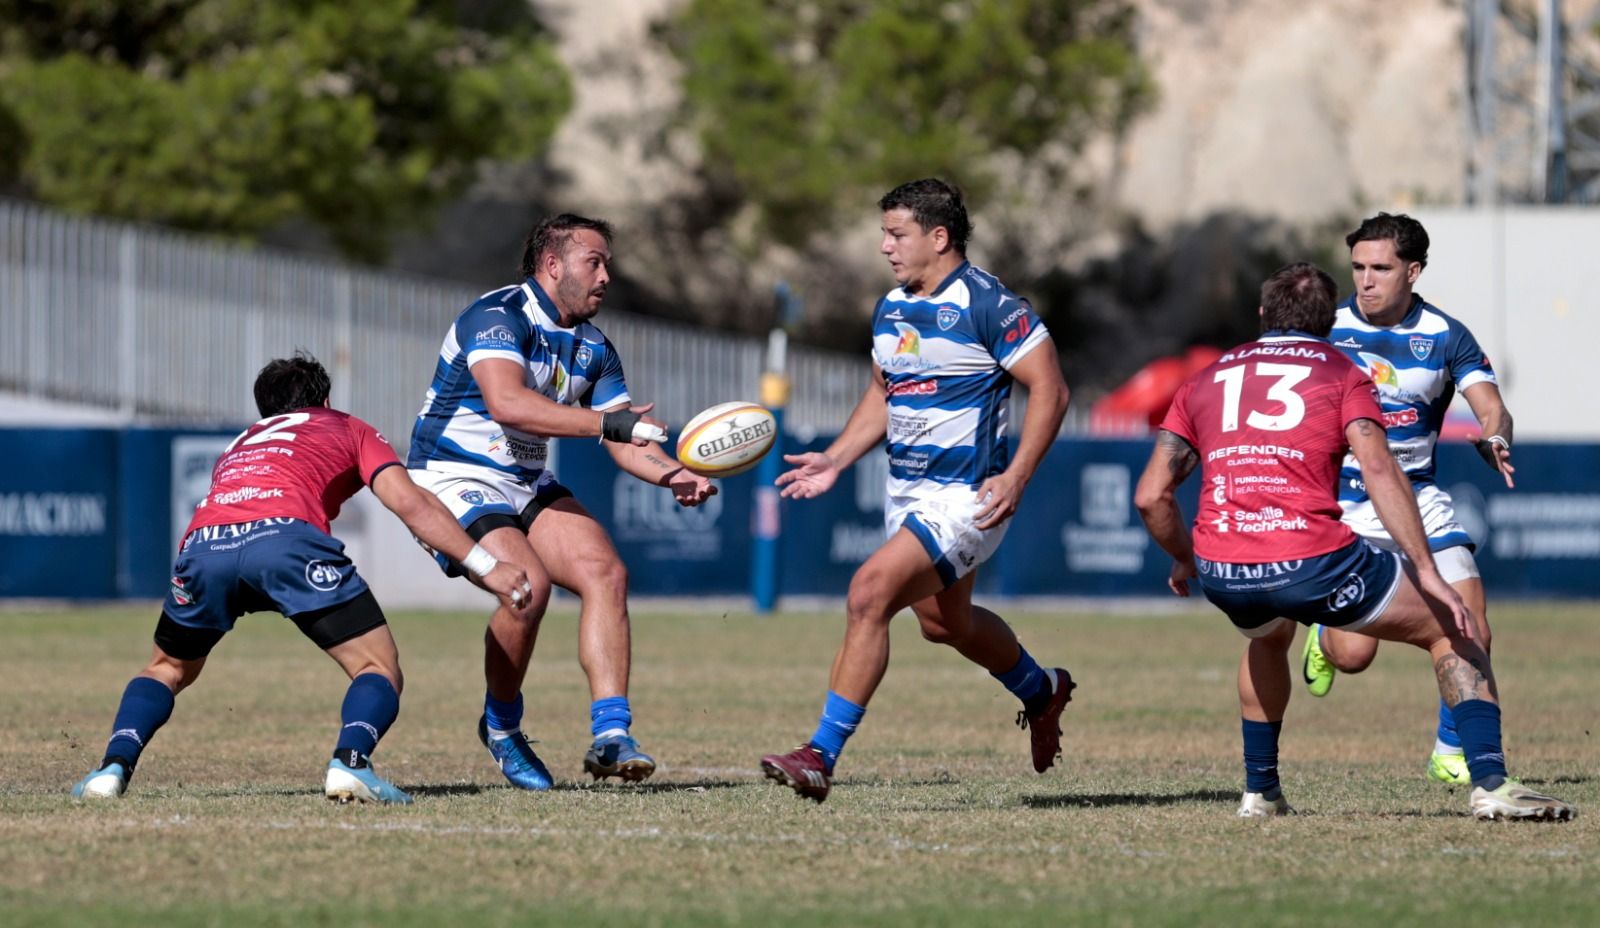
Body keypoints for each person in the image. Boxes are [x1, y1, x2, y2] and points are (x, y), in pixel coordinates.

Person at [1133, 262, 1572, 821]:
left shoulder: (1207, 377)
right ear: (1327, 324)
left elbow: (1151, 496)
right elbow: (1381, 471)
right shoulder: (1341, 371)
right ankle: (1490, 782)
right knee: (1456, 626)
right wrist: (1427, 571)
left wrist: (1184, 559)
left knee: (1268, 638)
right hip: (1312, 559)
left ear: (1263, 315)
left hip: (1225, 567)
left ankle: (1260, 793)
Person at [72, 354, 533, 805]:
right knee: (377, 668)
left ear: (266, 409)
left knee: (166, 668)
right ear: (325, 399)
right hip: (286, 542)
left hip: (204, 546)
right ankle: (351, 762)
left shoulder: (241, 442)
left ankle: (112, 767)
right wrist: (487, 565)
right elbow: (410, 503)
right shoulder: (346, 426)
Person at [759, 178, 1074, 803]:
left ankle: (820, 754)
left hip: (967, 497)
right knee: (943, 623)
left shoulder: (991, 304)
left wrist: (1016, 477)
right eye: (883, 233)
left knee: (868, 593)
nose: (884, 247)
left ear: (939, 237)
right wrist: (836, 460)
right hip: (906, 491)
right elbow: (883, 391)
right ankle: (1042, 690)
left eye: (896, 234)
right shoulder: (892, 306)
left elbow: (1052, 389)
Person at [406, 213, 716, 791]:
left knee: (606, 572)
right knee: (526, 587)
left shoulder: (595, 347)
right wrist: (609, 423)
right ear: (553, 266)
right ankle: (501, 728)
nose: (605, 277)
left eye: (608, 265)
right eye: (593, 262)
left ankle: (612, 735)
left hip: (522, 479)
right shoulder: (499, 316)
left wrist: (674, 474)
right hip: (449, 475)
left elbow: (626, 443)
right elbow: (508, 403)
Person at [1300, 213, 1514, 785]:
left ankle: (1451, 749)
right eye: (1359, 268)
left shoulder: (1446, 335)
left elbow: (1491, 405)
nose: (1366, 281)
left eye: (1381, 268)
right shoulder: (1326, 327)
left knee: (1471, 625)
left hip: (1418, 499)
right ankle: (1326, 634)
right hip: (1342, 504)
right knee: (1352, 657)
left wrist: (1495, 435)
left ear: (1413, 271)